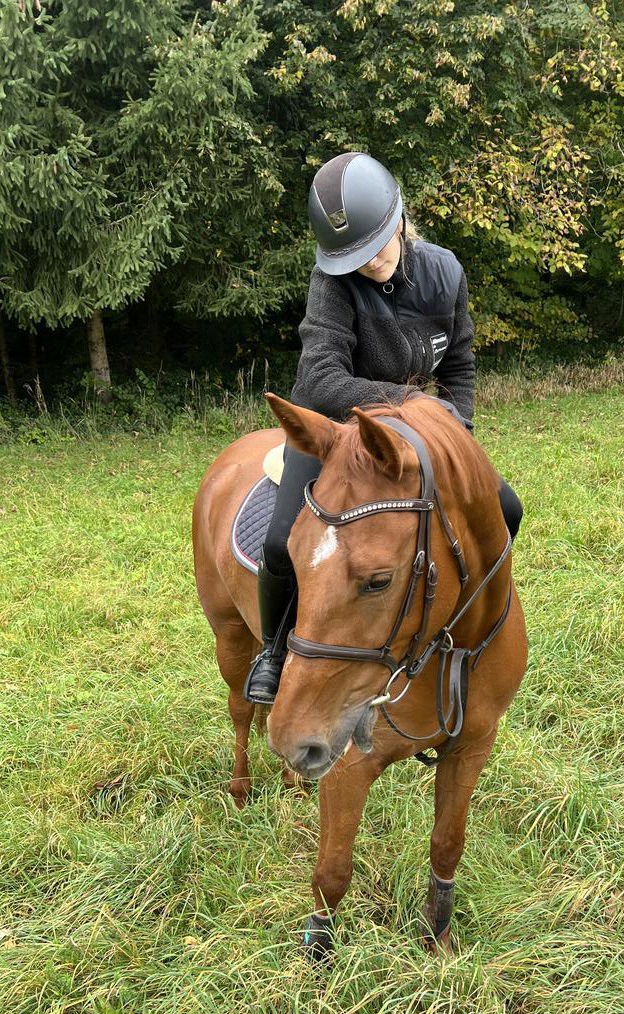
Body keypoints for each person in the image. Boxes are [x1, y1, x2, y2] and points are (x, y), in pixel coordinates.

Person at [243, 151, 523, 705]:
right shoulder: (332, 281)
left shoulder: (446, 274)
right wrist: (411, 402)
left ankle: (456, 621)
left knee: (507, 509)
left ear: (399, 220)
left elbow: (461, 364)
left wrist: (456, 427)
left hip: (419, 437)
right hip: (336, 432)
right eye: (354, 257)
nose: (369, 264)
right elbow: (320, 380)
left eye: (375, 248)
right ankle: (275, 651)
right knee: (279, 544)